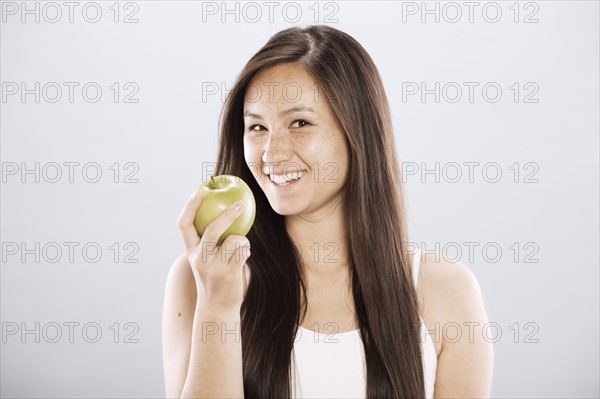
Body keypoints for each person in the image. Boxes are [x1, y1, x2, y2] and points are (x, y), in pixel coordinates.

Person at [162, 25, 493, 398]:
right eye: (257, 126)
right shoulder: (199, 279)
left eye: (299, 123)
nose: (272, 153)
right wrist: (218, 307)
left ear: (358, 130)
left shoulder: (445, 289)